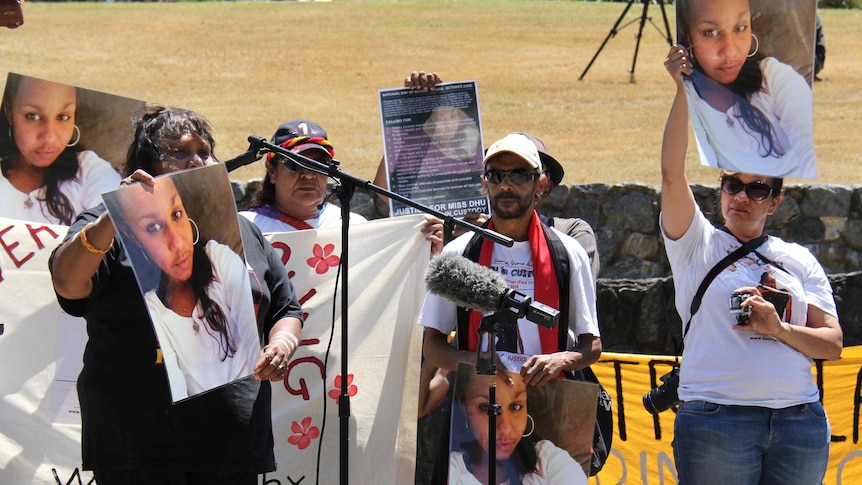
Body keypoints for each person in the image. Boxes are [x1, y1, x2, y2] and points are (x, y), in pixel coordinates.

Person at [49, 105, 304, 484]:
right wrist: (113, 218)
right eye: (178, 152)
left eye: (203, 151)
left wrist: (281, 345)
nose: (195, 160)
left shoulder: (240, 233)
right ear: (146, 163)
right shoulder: (104, 224)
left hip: (231, 441)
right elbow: (68, 284)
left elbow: (286, 308)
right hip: (138, 444)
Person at [661, 45, 843, 484]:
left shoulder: (799, 259)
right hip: (716, 419)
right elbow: (671, 173)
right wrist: (684, 89)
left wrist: (777, 328)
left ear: (775, 202)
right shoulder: (697, 243)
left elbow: (832, 344)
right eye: (731, 185)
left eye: (756, 190)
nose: (741, 197)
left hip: (798, 421)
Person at [418, 133, 601, 483]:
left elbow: (591, 345)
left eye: (518, 174)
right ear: (484, 182)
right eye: (496, 175)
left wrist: (559, 360)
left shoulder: (568, 252)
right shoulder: (459, 253)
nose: (506, 185)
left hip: (547, 411)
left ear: (540, 184)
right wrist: (480, 365)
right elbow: (433, 347)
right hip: (475, 418)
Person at [107, 175, 261, 401]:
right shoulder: (153, 309)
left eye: (176, 215)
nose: (177, 243)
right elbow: (174, 384)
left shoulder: (218, 260)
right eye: (153, 227)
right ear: (133, 236)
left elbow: (252, 334)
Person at [677, 0, 815, 179]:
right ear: (688, 36)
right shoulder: (687, 95)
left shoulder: (774, 78)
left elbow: (809, 146)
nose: (730, 51)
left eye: (740, 28)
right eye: (710, 33)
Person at [0, 73, 121, 225]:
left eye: (63, 117)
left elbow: (120, 227)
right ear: (9, 112)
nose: (50, 137)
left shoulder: (89, 171)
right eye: (33, 116)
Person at [449, 364, 587, 485]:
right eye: (487, 408)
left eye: (515, 407)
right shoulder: (451, 470)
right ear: (463, 405)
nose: (505, 428)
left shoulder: (550, 462)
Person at [239, 119, 367, 233]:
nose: (309, 175)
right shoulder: (245, 230)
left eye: (319, 164)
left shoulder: (356, 228)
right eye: (295, 165)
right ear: (272, 171)